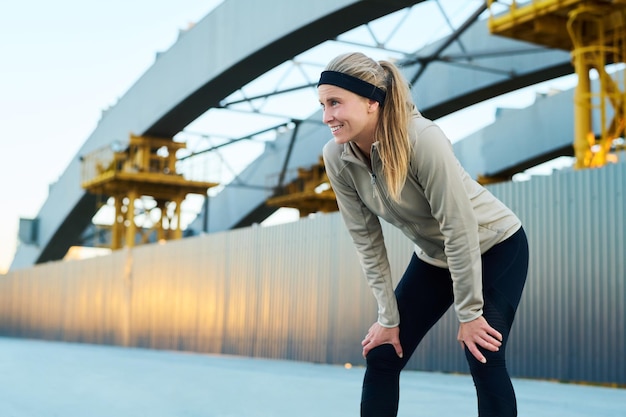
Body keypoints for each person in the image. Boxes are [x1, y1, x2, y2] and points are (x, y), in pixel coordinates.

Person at [318, 52, 529, 417]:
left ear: (371, 101)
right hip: (435, 258)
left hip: (495, 245)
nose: (327, 117)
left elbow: (458, 226)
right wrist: (388, 318)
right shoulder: (337, 157)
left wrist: (470, 312)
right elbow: (366, 240)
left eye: (335, 103)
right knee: (383, 352)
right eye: (322, 105)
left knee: (483, 352)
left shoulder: (422, 138)